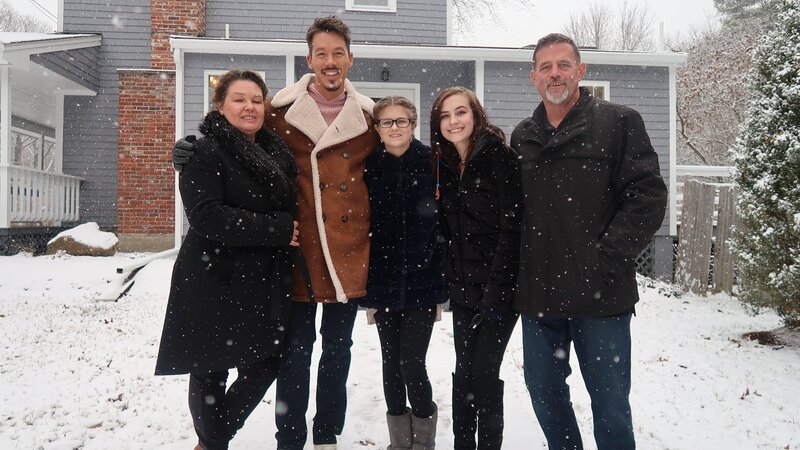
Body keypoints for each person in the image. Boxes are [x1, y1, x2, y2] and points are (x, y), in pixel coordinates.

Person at [173, 16, 378, 450]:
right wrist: (188, 149)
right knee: (294, 352)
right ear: (309, 59)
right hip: (295, 251)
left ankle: (326, 433)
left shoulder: (369, 116)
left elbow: (390, 167)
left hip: (347, 252)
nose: (329, 61)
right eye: (321, 53)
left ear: (350, 58)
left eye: (337, 53)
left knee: (338, 350)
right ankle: (290, 437)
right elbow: (233, 136)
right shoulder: (278, 112)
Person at [510, 33, 669, 450]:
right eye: (545, 67)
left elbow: (647, 198)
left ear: (580, 71)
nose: (555, 74)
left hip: (601, 297)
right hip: (540, 297)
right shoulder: (523, 136)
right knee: (544, 395)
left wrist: (604, 260)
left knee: (611, 406)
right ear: (533, 77)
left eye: (563, 65)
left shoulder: (618, 123)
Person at [155, 69, 300, 450]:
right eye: (239, 99)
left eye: (256, 100)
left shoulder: (276, 153)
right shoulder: (203, 152)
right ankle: (213, 443)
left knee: (265, 362)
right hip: (213, 275)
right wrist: (277, 229)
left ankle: (211, 441)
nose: (249, 107)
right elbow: (206, 216)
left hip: (260, 278)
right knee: (210, 370)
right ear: (220, 105)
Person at [430, 86, 521, 450]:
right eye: (445, 115)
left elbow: (512, 231)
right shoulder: (446, 165)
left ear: (476, 115)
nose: (453, 121)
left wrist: (495, 295)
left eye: (460, 112)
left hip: (499, 291)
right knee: (464, 374)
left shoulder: (500, 157)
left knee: (483, 374)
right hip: (463, 291)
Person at [360, 96, 446, 450]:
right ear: (377, 129)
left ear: (413, 124)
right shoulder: (367, 166)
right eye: (387, 122)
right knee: (391, 364)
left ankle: (423, 442)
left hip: (424, 280)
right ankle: (399, 442)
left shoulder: (433, 162)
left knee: (411, 362)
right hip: (382, 280)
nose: (394, 128)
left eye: (402, 121)